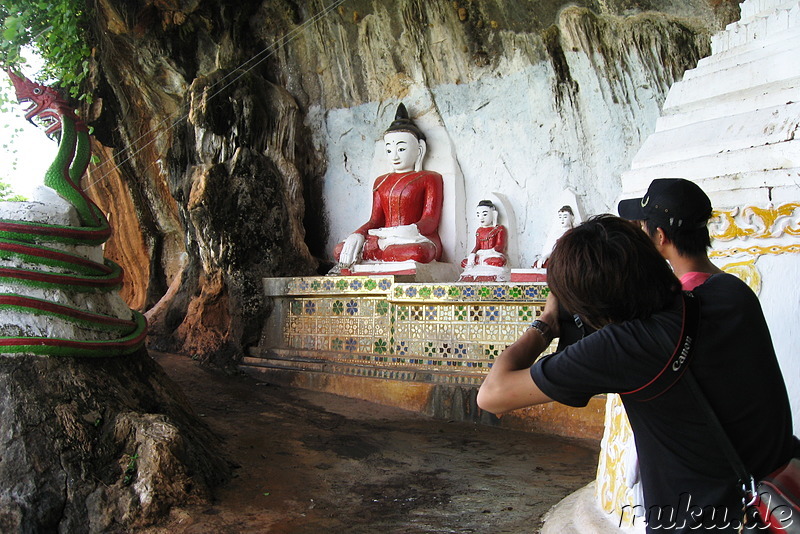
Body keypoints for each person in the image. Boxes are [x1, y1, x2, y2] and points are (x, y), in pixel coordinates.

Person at [477, 215, 795, 532]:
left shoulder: (621, 348)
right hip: (777, 501)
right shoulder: (729, 291)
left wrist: (546, 323)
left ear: (590, 310)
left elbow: (492, 396)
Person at [333, 103, 443, 268]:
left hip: (412, 238)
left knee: (418, 251)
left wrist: (400, 232)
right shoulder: (381, 181)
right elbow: (375, 219)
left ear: (419, 150)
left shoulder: (429, 178)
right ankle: (384, 253)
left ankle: (383, 253)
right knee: (341, 250)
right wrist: (358, 234)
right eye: (389, 150)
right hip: (383, 238)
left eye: (401, 149)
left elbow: (430, 221)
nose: (395, 156)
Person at [618, 178, 722, 290]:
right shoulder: (733, 284)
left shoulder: (679, 300)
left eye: (642, 226)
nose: (642, 232)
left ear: (660, 236)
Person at [459, 200, 508, 282]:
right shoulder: (479, 230)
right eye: (478, 214)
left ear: (493, 214)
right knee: (465, 262)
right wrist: (472, 255)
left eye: (484, 214)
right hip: (480, 255)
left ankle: (484, 263)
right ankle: (480, 263)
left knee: (500, 261)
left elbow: (500, 246)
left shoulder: (499, 229)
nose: (481, 217)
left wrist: (489, 252)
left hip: (492, 254)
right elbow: (477, 246)